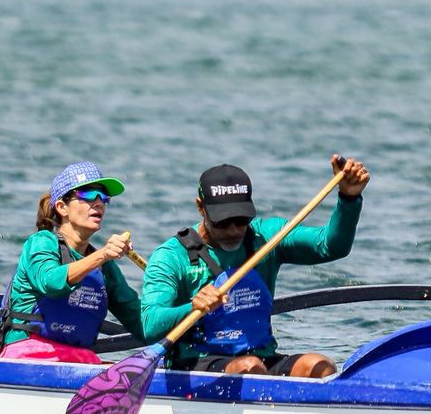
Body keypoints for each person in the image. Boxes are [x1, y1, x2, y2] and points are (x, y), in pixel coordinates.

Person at [139, 156, 370, 377]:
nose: (233, 231)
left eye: (241, 220)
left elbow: (331, 246)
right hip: (197, 362)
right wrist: (192, 306)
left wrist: (349, 199)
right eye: (222, 222)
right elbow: (150, 324)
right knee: (250, 367)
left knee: (320, 366)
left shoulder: (267, 238)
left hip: (260, 358)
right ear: (201, 208)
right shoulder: (171, 256)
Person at [0, 161, 142, 363]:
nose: (99, 203)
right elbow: (51, 282)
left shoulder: (105, 267)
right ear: (62, 207)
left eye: (104, 197)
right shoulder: (42, 242)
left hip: (78, 359)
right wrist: (103, 254)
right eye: (88, 195)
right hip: (26, 354)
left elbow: (141, 321)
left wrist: (187, 308)